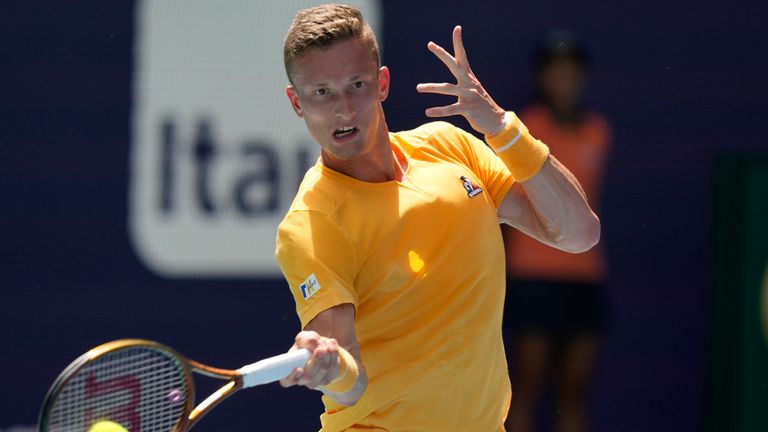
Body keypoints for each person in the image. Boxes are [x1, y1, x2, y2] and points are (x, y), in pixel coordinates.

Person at [274, 5, 600, 431]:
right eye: (322, 93)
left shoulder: (451, 147)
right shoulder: (311, 223)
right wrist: (330, 367)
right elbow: (349, 380)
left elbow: (579, 233)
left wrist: (502, 127)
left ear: (383, 83)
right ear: (297, 102)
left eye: (357, 85)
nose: (344, 109)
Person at [502, 30, 612, 432]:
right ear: (543, 77)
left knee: (576, 391)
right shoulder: (524, 129)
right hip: (533, 278)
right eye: (556, 70)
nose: (564, 78)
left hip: (585, 277)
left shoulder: (599, 131)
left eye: (572, 70)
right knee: (526, 388)